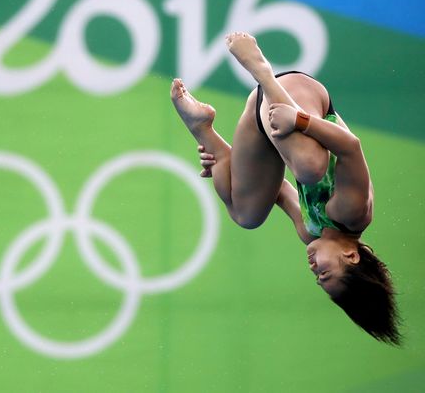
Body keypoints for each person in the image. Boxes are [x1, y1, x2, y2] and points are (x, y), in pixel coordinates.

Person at [170, 32, 401, 345]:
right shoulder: (354, 213)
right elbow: (350, 146)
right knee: (309, 168)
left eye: (317, 279)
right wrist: (301, 120)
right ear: (351, 256)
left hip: (265, 118)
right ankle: (259, 65)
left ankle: (202, 127)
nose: (313, 271)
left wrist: (229, 170)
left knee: (247, 215)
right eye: (324, 274)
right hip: (297, 96)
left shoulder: (311, 230)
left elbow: (275, 190)